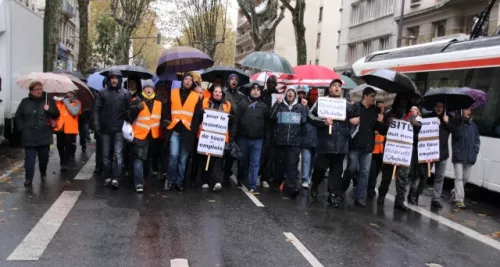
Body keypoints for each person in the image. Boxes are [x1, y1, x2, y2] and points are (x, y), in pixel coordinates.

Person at [309, 79, 359, 207]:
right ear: (329, 89)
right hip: (325, 142)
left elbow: (355, 121)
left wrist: (349, 134)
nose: (337, 88)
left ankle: (333, 195)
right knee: (320, 168)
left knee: (336, 171)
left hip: (340, 144)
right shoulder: (322, 102)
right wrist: (323, 123)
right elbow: (310, 116)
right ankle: (315, 184)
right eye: (334, 86)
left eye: (339, 86)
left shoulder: (347, 105)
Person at [341, 87, 385, 207]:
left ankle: (359, 197)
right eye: (372, 96)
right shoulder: (354, 107)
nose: (374, 99)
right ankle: (341, 190)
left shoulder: (375, 111)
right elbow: (345, 122)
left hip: (368, 146)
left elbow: (381, 130)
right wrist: (351, 120)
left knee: (365, 172)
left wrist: (381, 122)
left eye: (375, 96)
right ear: (365, 96)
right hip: (354, 145)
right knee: (351, 169)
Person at [15, 81, 60, 186]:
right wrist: (22, 128)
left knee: (43, 158)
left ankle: (43, 172)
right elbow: (18, 116)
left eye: (40, 89)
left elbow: (56, 114)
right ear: (31, 91)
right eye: (36, 89)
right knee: (29, 159)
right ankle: (28, 178)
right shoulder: (25, 102)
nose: (39, 91)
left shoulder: (48, 101)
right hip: (29, 135)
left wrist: (49, 109)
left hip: (44, 135)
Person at [164, 73, 203, 191]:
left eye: (190, 80)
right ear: (182, 81)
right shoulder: (174, 93)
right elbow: (167, 109)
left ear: (192, 83)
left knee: (183, 159)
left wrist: (193, 129)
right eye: (186, 79)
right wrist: (167, 121)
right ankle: (170, 180)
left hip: (187, 132)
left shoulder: (195, 96)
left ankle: (179, 182)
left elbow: (197, 115)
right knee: (174, 156)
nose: (187, 81)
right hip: (175, 130)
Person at [93, 70, 131, 189]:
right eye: (112, 78)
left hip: (119, 130)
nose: (114, 80)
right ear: (109, 80)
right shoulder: (102, 93)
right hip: (105, 129)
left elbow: (129, 111)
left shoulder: (125, 93)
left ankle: (116, 178)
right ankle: (108, 176)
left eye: (116, 78)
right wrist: (97, 126)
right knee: (105, 156)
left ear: (120, 80)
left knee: (118, 155)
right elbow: (96, 111)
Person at [270, 87, 309, 198]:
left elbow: (305, 120)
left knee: (292, 165)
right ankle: (276, 183)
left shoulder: (300, 107)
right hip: (281, 141)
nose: (290, 93)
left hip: (294, 142)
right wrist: (277, 104)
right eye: (288, 92)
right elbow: (272, 116)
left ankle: (292, 187)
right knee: (280, 165)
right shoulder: (280, 106)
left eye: (292, 91)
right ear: (286, 94)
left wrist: (305, 107)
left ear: (295, 95)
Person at [377, 93, 413, 211]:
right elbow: (382, 131)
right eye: (401, 102)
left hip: (404, 152)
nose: (402, 105)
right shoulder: (389, 114)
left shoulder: (410, 116)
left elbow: (416, 131)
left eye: (405, 102)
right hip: (391, 150)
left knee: (402, 177)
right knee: (386, 176)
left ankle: (399, 201)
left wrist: (415, 124)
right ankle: (381, 195)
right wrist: (384, 122)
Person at [128, 80, 165, 193]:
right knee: (139, 159)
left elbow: (162, 117)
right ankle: (138, 183)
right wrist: (136, 109)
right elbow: (128, 117)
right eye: (146, 87)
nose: (148, 89)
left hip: (153, 136)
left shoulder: (159, 102)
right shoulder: (136, 100)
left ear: (153, 89)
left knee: (147, 161)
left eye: (150, 87)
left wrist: (165, 121)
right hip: (139, 135)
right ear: (143, 89)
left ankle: (142, 179)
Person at [198, 85, 236, 192]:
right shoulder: (205, 101)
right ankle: (205, 180)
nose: (218, 93)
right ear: (212, 93)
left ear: (222, 94)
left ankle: (217, 181)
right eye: (216, 91)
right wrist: (202, 113)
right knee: (205, 159)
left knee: (218, 159)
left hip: (220, 137)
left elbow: (233, 120)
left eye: (220, 92)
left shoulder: (227, 105)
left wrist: (230, 118)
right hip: (205, 135)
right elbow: (198, 115)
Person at [236, 83, 270, 194]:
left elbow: (267, 124)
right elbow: (236, 120)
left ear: (260, 92)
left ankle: (252, 186)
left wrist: (266, 138)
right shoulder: (242, 104)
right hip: (243, 138)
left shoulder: (264, 107)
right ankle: (240, 177)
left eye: (258, 90)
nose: (255, 91)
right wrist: (235, 137)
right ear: (250, 91)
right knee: (242, 161)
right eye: (253, 89)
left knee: (255, 163)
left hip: (258, 139)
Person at [423, 101, 456, 208]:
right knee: (424, 175)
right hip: (430, 151)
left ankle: (436, 199)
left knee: (439, 177)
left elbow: (456, 131)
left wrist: (446, 122)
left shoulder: (448, 117)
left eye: (441, 106)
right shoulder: (428, 117)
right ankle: (415, 194)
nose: (439, 108)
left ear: (444, 107)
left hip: (443, 153)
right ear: (434, 107)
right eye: (437, 106)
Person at [451, 108, 480, 209]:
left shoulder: (473, 125)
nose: (469, 112)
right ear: (461, 111)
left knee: (465, 178)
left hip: (469, 156)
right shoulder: (457, 123)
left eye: (470, 110)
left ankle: (455, 191)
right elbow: (456, 135)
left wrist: (475, 150)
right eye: (467, 110)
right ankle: (459, 200)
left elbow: (477, 139)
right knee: (459, 177)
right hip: (459, 155)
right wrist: (460, 121)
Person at [223, 74, 246, 184]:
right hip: (223, 125)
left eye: (236, 79)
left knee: (232, 151)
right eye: (232, 79)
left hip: (235, 127)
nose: (234, 81)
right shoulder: (223, 93)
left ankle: (227, 170)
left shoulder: (241, 96)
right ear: (228, 81)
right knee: (222, 151)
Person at [259, 75, 280, 188]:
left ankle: (266, 177)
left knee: (271, 154)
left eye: (272, 83)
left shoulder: (279, 95)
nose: (270, 85)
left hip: (274, 127)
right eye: (268, 83)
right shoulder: (263, 94)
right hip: (264, 126)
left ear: (276, 84)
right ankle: (259, 173)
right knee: (263, 153)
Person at [54, 91, 82, 172]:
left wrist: (66, 102)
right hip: (60, 128)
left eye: (71, 93)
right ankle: (62, 160)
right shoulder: (60, 102)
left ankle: (65, 163)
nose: (69, 94)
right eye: (67, 93)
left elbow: (74, 112)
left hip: (70, 128)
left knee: (68, 146)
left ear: (74, 94)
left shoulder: (78, 103)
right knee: (59, 145)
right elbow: (56, 113)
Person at [299, 88, 318, 189]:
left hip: (317, 138)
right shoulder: (304, 106)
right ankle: (305, 179)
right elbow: (302, 120)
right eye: (312, 94)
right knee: (306, 159)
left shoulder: (320, 107)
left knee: (313, 160)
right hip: (306, 136)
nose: (313, 97)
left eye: (315, 94)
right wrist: (305, 108)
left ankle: (308, 176)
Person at [367, 101, 386, 198]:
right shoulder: (372, 117)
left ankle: (370, 187)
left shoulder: (386, 119)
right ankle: (370, 189)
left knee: (377, 171)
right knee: (372, 172)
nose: (381, 109)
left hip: (382, 151)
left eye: (382, 108)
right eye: (379, 107)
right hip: (373, 150)